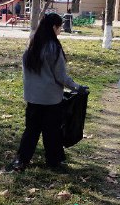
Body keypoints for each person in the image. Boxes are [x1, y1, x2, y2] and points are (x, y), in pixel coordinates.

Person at [12, 12, 87, 172]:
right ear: (54, 27)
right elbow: (61, 76)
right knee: (51, 132)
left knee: (31, 131)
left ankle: (21, 160)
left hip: (32, 98)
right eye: (59, 27)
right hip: (51, 100)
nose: (60, 31)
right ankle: (54, 162)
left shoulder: (31, 45)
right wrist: (78, 87)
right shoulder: (54, 48)